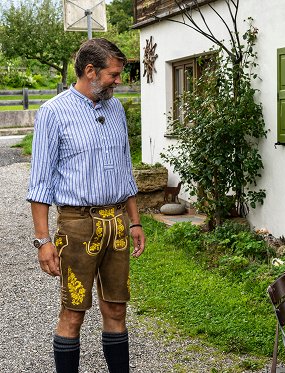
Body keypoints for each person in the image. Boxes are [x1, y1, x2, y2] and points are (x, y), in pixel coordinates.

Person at [26, 38, 146, 373]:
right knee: (73, 313)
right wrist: (43, 240)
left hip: (117, 223)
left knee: (117, 310)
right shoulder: (54, 112)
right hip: (77, 226)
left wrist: (134, 221)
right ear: (90, 70)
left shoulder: (115, 108)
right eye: (114, 74)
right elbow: (40, 182)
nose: (119, 80)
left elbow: (125, 169)